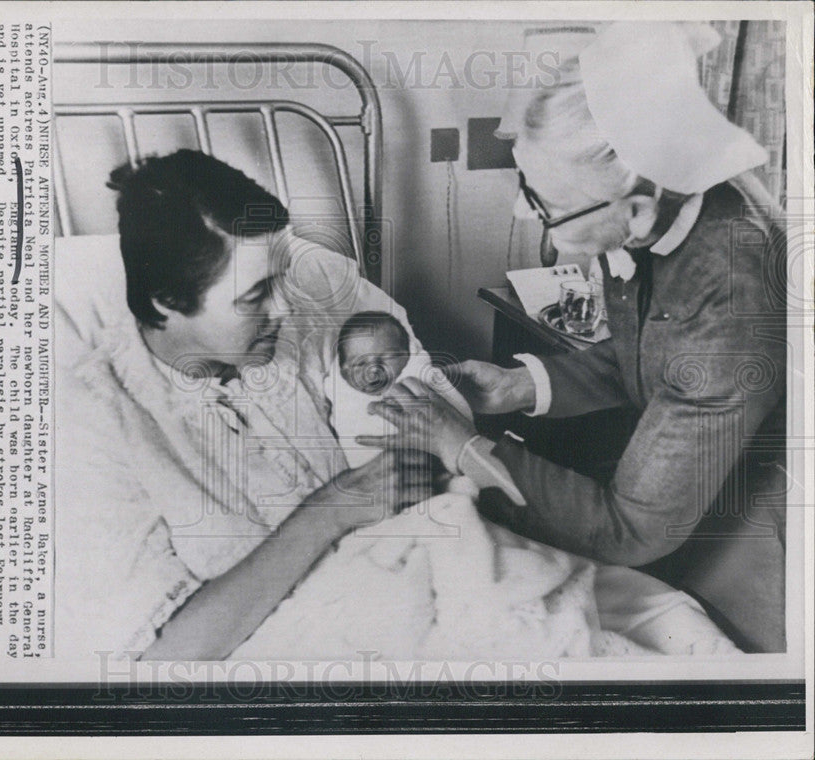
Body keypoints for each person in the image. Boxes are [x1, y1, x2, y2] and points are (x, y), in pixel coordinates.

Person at [361, 22, 787, 652]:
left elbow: (632, 529)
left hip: (767, 535)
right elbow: (644, 351)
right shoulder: (666, 201)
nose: (519, 213)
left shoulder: (731, 298)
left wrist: (466, 451)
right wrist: (517, 385)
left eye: (542, 204)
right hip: (697, 488)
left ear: (635, 212)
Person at [54, 149, 433, 663]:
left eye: (283, 277)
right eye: (255, 295)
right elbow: (162, 659)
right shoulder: (96, 420)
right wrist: (329, 512)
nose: (286, 306)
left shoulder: (315, 325)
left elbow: (421, 408)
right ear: (168, 299)